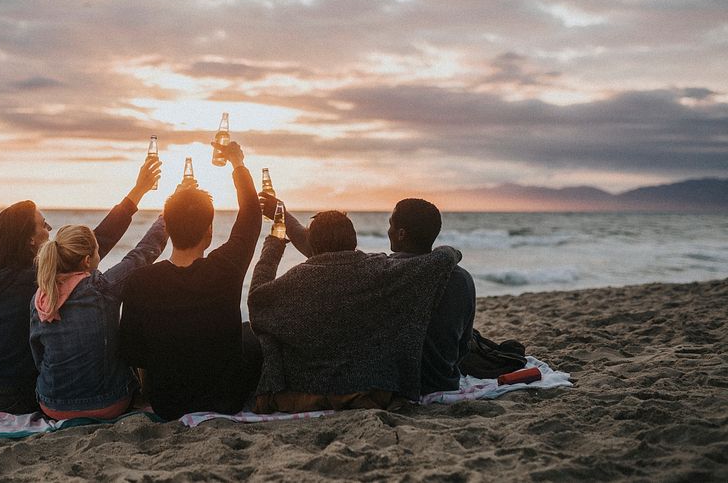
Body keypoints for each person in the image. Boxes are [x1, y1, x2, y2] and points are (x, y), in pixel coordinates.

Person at [0, 156, 161, 414]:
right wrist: (138, 193)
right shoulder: (36, 277)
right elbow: (95, 243)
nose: (50, 229)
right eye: (43, 225)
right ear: (30, 242)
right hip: (14, 396)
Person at [247, 207, 462, 412]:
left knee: (259, 333)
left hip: (307, 392)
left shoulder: (294, 280)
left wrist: (274, 244)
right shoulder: (380, 270)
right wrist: (452, 250)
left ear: (312, 246)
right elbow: (441, 259)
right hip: (373, 390)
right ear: (354, 240)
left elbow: (257, 301)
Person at [118, 141, 262, 420]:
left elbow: (134, 353)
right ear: (209, 231)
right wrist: (237, 163)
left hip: (166, 403)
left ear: (167, 229)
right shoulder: (226, 268)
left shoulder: (140, 281)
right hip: (225, 399)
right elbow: (251, 217)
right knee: (252, 334)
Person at [29, 214, 167, 420]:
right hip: (110, 403)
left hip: (53, 405)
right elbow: (142, 255)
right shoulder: (104, 288)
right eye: (96, 252)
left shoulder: (41, 298)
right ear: (86, 261)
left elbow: (38, 354)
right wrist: (164, 220)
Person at [388, 198, 476, 395]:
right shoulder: (463, 278)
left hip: (401, 384)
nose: (388, 231)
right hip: (444, 380)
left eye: (390, 225)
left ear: (401, 234)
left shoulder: (391, 273)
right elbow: (464, 343)